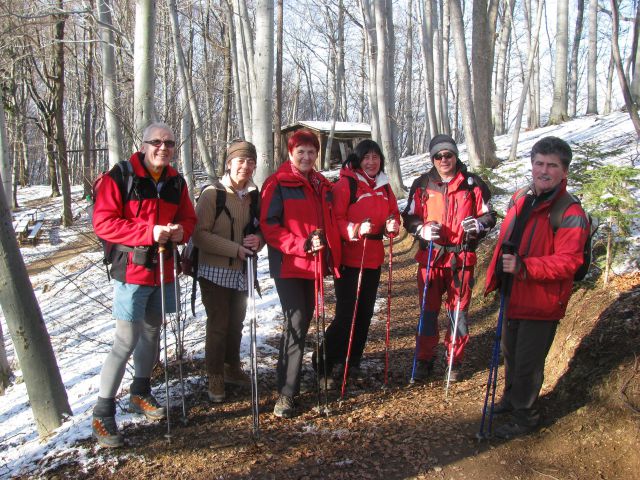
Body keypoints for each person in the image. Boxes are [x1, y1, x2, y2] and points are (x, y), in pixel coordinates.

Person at [91, 123, 197, 448]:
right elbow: (103, 223)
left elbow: (189, 219)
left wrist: (181, 231)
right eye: (156, 142)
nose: (162, 148)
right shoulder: (121, 176)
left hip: (164, 271)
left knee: (153, 331)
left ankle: (140, 392)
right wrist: (147, 233)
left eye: (169, 143)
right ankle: (102, 411)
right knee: (125, 340)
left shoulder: (176, 181)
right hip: (131, 272)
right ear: (143, 144)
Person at [485, 136, 589, 439]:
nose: (544, 170)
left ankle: (525, 416)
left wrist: (525, 267)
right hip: (514, 293)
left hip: (542, 300)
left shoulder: (570, 213)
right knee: (511, 354)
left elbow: (568, 262)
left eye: (552, 166)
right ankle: (510, 399)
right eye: (539, 163)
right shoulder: (523, 197)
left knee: (528, 363)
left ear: (564, 171)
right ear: (532, 165)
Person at [260, 129, 341, 418]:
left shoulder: (321, 183)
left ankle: (289, 375)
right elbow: (269, 225)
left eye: (311, 152)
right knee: (295, 320)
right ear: (290, 153)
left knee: (305, 318)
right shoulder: (277, 183)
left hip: (314, 264)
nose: (306, 157)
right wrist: (300, 245)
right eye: (301, 152)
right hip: (289, 264)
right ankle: (286, 393)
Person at [402, 134, 496, 382]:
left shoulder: (473, 184)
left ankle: (454, 359)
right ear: (432, 158)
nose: (444, 159)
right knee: (428, 312)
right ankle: (424, 359)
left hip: (461, 258)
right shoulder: (422, 184)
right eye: (438, 155)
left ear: (455, 156)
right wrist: (421, 229)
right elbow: (409, 217)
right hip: (431, 258)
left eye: (448, 154)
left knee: (458, 313)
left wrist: (477, 225)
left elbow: (489, 216)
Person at [314, 139, 400, 386]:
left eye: (376, 157)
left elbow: (392, 214)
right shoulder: (346, 184)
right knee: (346, 314)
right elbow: (336, 219)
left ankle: (352, 361)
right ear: (358, 160)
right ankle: (325, 361)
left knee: (365, 313)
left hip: (373, 257)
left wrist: (392, 226)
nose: (372, 162)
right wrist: (354, 228)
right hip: (350, 257)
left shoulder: (384, 186)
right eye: (366, 158)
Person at [192, 140, 263, 403]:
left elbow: (259, 228)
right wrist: (234, 249)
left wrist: (259, 240)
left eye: (250, 162)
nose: (245, 166)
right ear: (229, 163)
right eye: (240, 161)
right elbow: (199, 235)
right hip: (213, 271)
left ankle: (232, 367)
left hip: (243, 270)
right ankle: (215, 374)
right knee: (219, 325)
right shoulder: (213, 194)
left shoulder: (254, 195)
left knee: (237, 323)